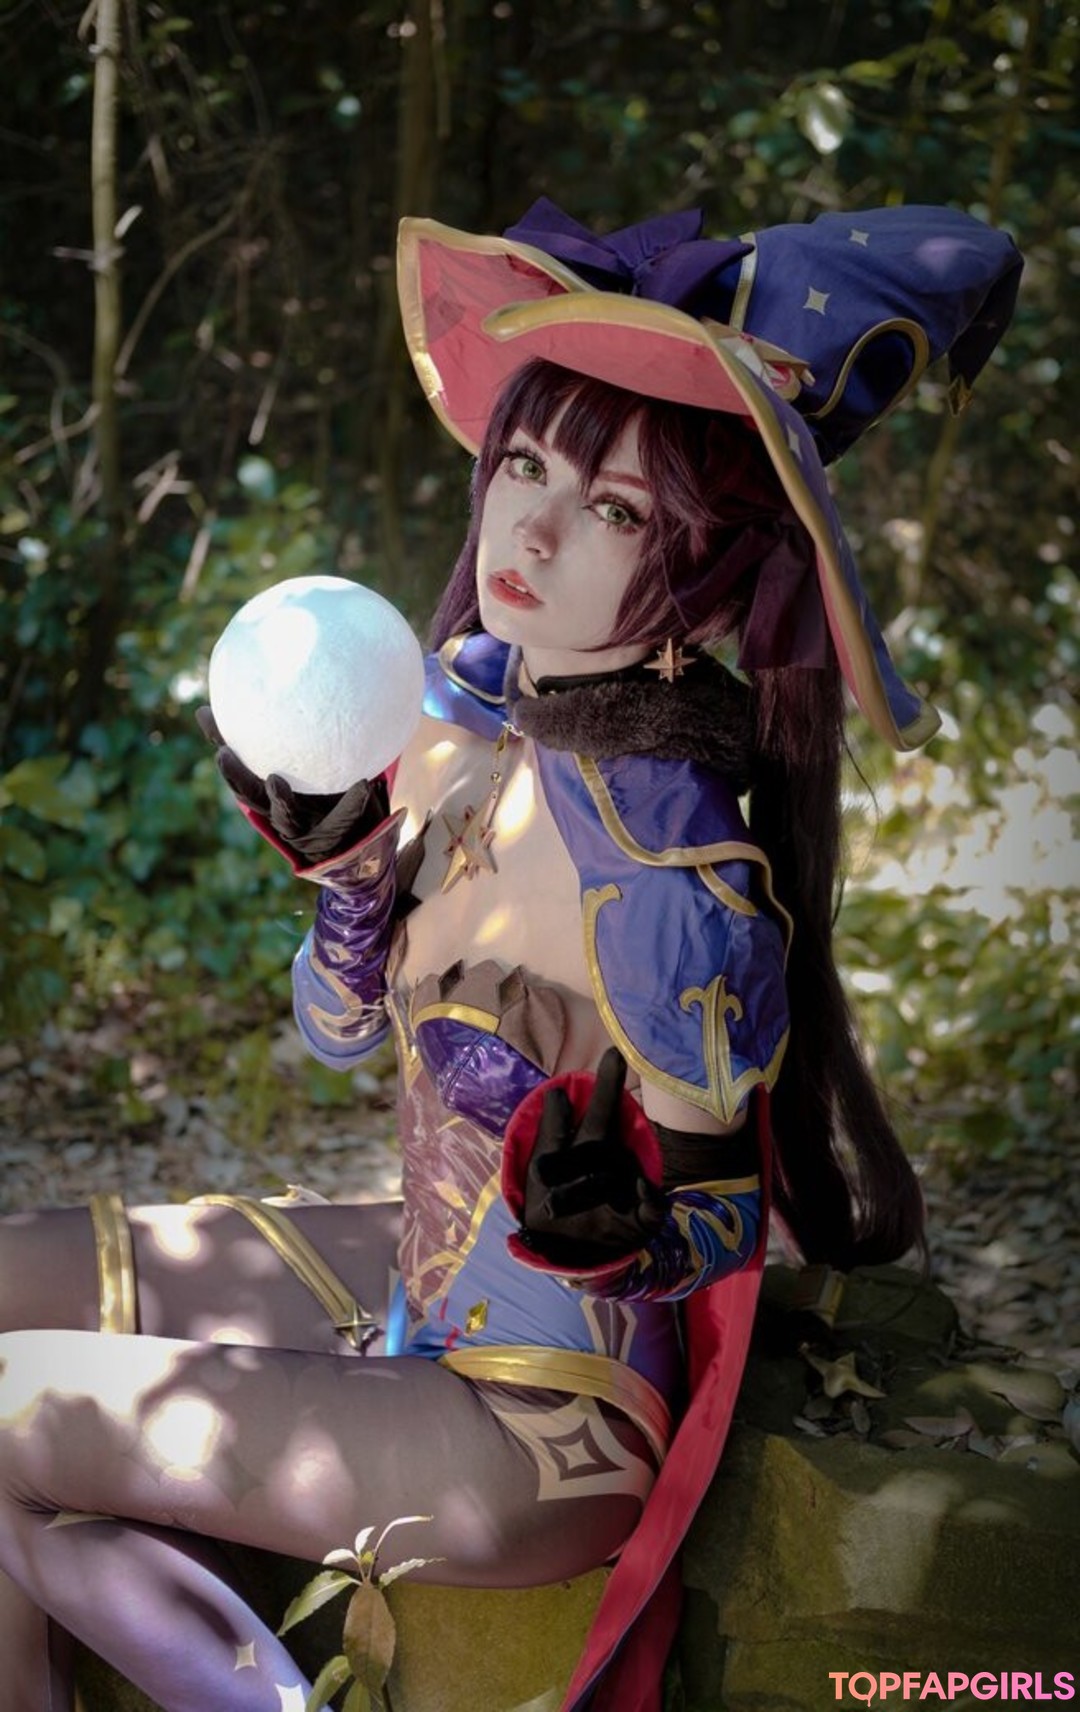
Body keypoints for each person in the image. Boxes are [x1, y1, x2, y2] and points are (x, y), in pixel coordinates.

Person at [0, 198, 1021, 1712]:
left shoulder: (675, 882)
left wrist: (618, 1230)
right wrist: (352, 872)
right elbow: (342, 1031)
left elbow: (720, 1228)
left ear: (710, 570)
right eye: (528, 465)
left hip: (544, 1422)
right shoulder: (458, 717)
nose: (531, 530)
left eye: (620, 512)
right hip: (408, 1286)